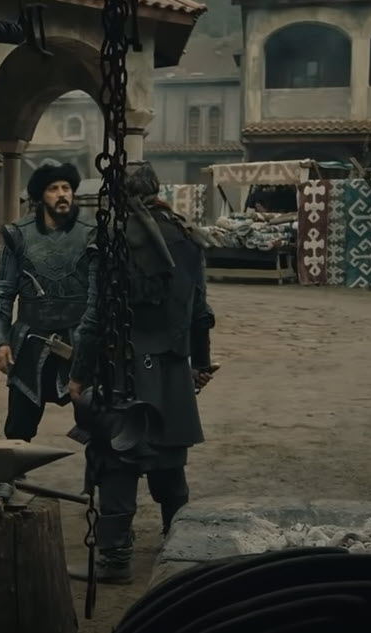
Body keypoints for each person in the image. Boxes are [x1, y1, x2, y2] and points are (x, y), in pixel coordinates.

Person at [68, 162, 216, 583]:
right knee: (169, 460)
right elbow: (200, 312)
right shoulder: (187, 236)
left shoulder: (111, 238)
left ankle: (115, 560)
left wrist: (78, 374)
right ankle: (180, 548)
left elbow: (94, 318)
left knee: (116, 459)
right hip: (172, 370)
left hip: (123, 370)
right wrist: (200, 364)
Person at [0, 161, 96, 441]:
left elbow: (102, 294)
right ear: (40, 196)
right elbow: (3, 291)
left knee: (97, 419)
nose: (62, 194)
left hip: (79, 338)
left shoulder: (91, 233)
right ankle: (13, 465)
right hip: (31, 339)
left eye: (66, 188)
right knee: (19, 426)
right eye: (53, 189)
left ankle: (98, 470)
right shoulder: (17, 234)